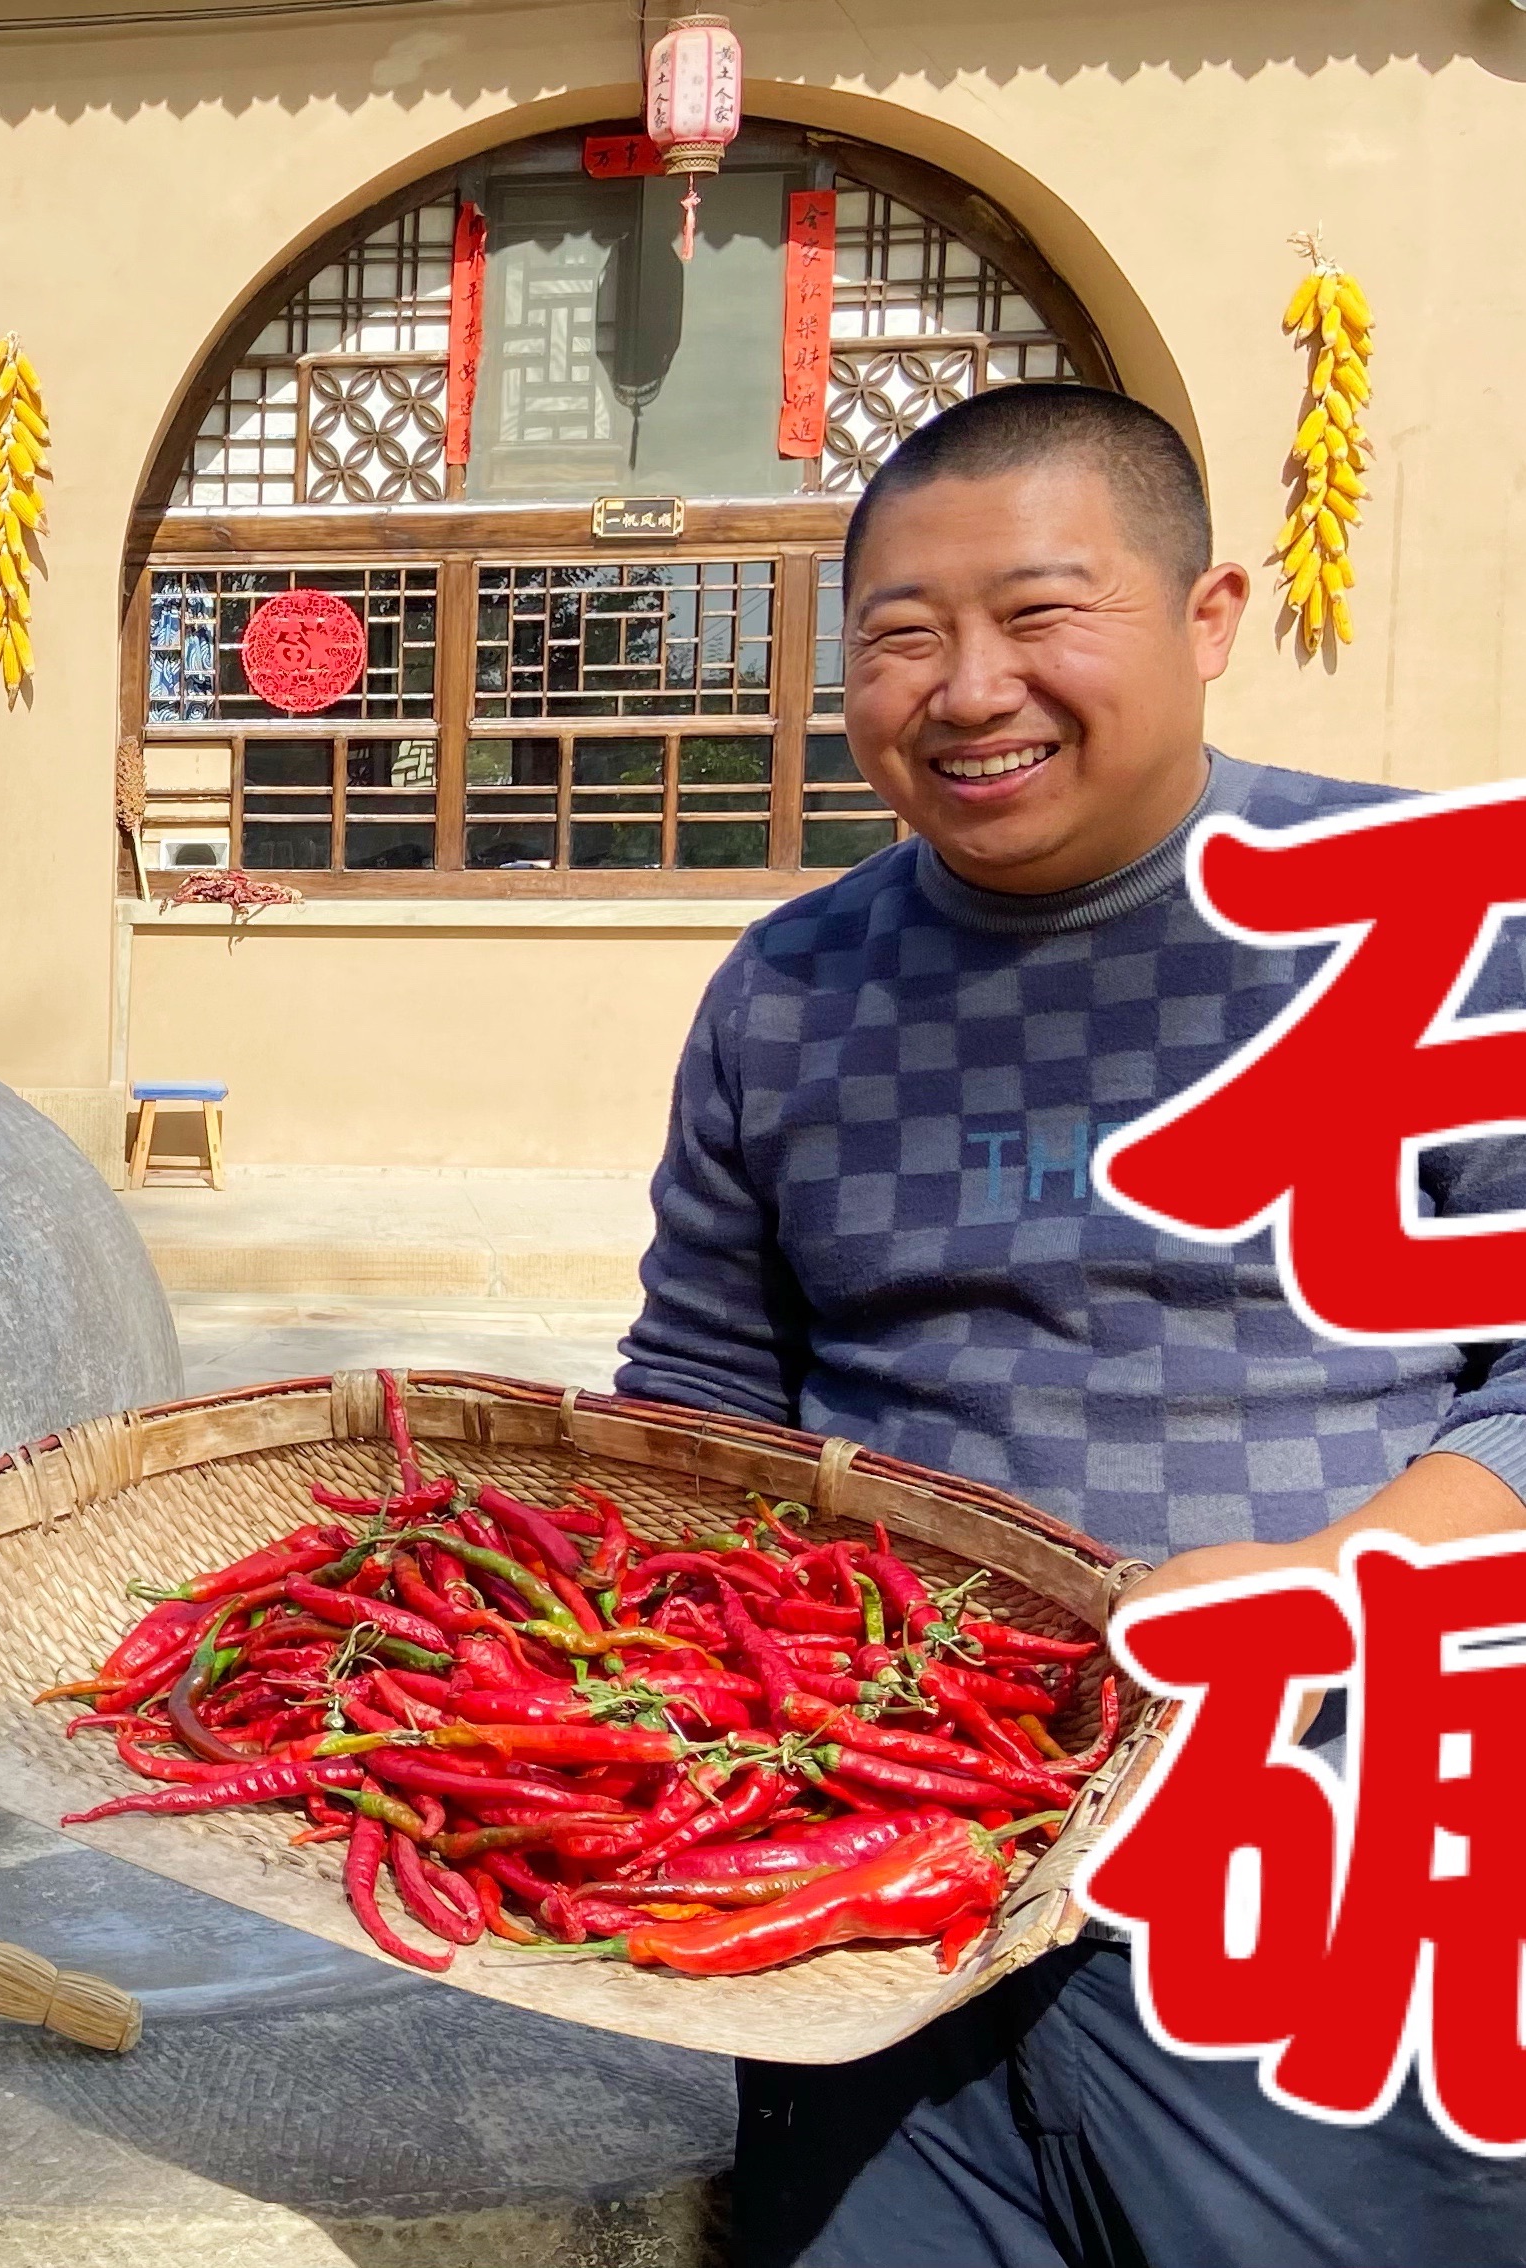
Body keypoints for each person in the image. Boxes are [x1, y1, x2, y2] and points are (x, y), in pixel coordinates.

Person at [612, 383, 1526, 2267]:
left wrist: (1335, 1578)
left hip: (1312, 1860)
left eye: (1043, 615)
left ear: (1209, 618)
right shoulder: (786, 992)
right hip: (887, 1880)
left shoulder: (1429, 938)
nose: (967, 690)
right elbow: (702, 1396)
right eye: (901, 635)